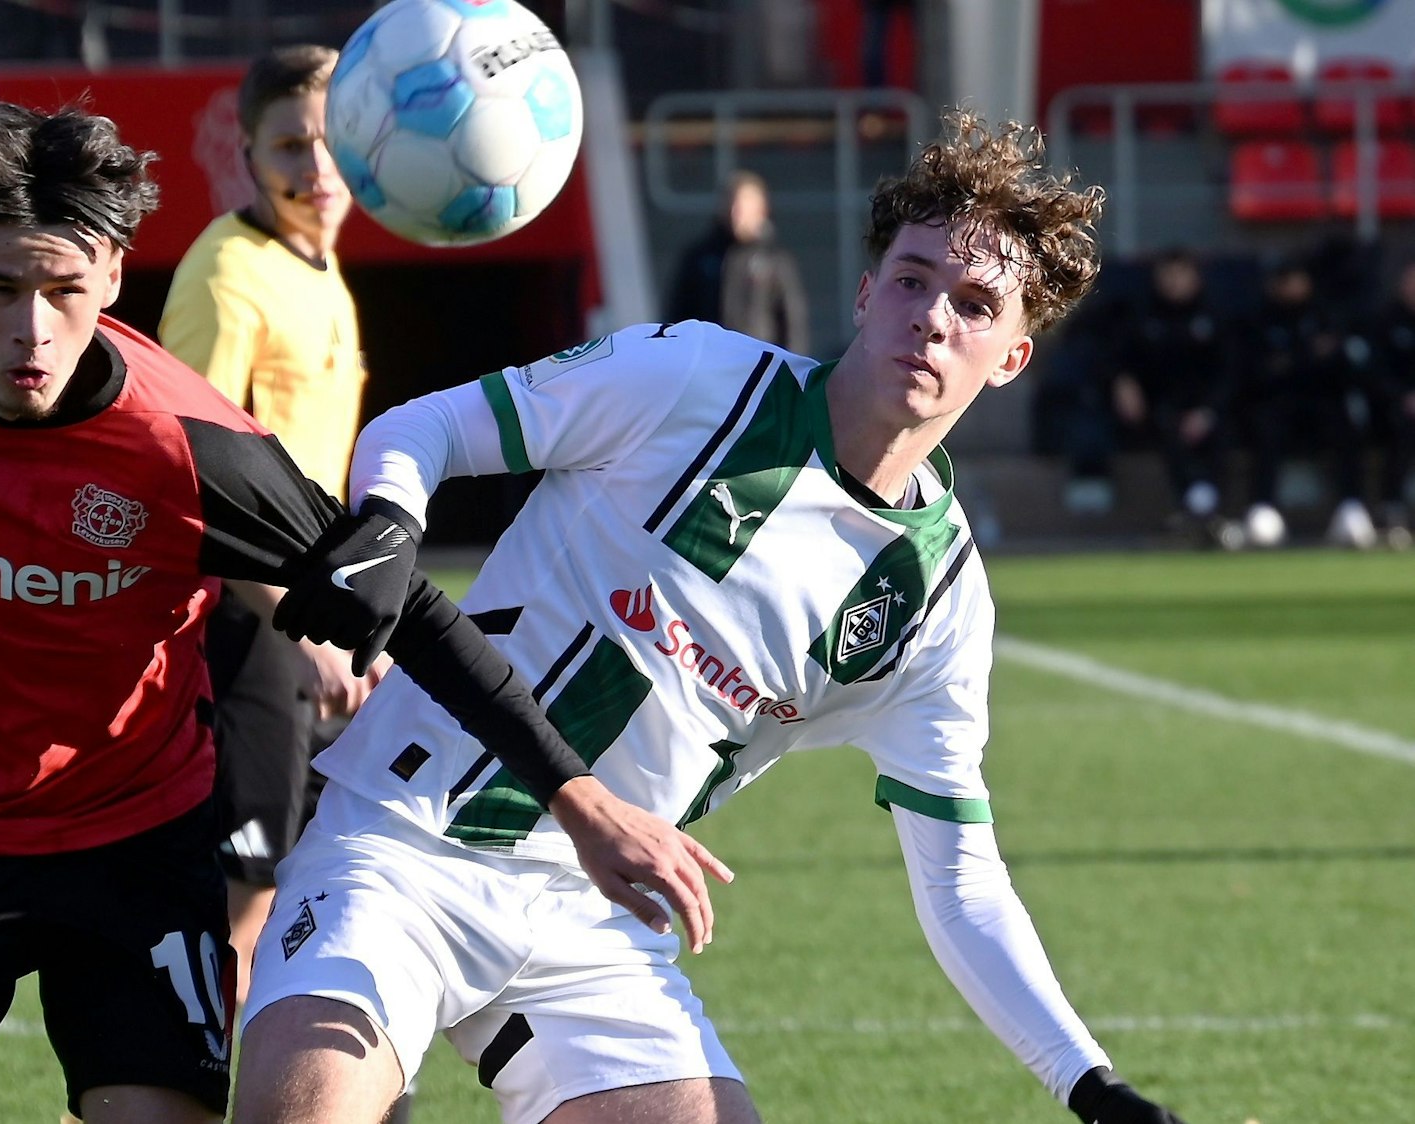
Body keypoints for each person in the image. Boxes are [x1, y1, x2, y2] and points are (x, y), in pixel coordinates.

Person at [0, 95, 710, 1124]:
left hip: (130, 845)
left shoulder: (189, 449)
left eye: (65, 289)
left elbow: (413, 610)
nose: (32, 327)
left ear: (112, 277)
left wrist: (580, 799)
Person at [237, 110, 1186, 1124]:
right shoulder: (691, 378)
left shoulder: (937, 599)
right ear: (866, 294)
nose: (932, 317)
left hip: (592, 922)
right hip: (401, 840)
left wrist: (1091, 1085)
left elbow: (959, 880)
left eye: (973, 302)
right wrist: (389, 521)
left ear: (1009, 358)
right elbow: (421, 426)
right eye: (911, 280)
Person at [158, 42, 379, 1016]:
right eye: (291, 145)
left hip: (297, 621)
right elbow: (190, 480)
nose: (315, 168)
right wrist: (302, 626)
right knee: (236, 904)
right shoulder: (226, 275)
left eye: (331, 144)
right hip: (234, 622)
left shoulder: (317, 269)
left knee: (301, 893)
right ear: (245, 153)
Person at [1232, 255, 1369, 548]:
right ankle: (1262, 509)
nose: (1293, 288)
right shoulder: (1260, 320)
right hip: (1277, 404)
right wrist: (1306, 358)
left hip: (1321, 402)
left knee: (1345, 427)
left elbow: (1341, 367)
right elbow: (1257, 373)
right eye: (1287, 282)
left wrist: (1298, 362)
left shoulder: (1324, 316)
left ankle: (1351, 509)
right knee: (1266, 428)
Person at [1105, 249, 1232, 540]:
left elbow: (1229, 371)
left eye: (1180, 274)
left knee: (1221, 436)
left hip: (1209, 409)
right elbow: (1118, 360)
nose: (1174, 282)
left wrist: (1208, 411)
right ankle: (1197, 509)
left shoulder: (1214, 317)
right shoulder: (1143, 316)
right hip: (1161, 410)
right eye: (1168, 275)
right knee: (1168, 429)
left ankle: (1209, 510)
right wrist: (1123, 383)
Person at [668, 171, 810, 355]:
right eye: (731, 205)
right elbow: (678, 315)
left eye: (743, 207)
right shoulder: (699, 257)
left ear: (761, 209)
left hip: (757, 367)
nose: (736, 214)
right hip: (709, 364)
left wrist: (792, 372)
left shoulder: (775, 259)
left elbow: (793, 321)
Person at [1353, 257, 1415, 547]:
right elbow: (1376, 373)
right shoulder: (1386, 321)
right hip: (1395, 407)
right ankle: (1392, 508)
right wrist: (1403, 396)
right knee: (1399, 429)